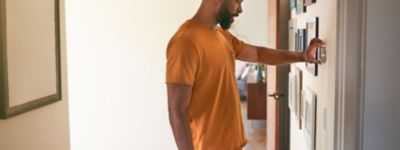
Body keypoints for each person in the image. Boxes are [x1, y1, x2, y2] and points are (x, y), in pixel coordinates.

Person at [165, 0, 325, 149]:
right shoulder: (186, 42)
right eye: (237, 1)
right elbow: (176, 111)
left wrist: (302, 56)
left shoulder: (221, 35)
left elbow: (258, 54)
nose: (240, 9)